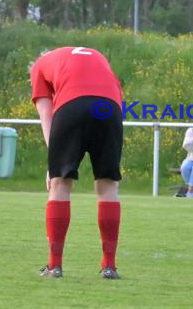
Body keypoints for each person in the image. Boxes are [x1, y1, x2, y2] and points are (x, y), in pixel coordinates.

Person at [30, 46, 123, 279]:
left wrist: (55, 163)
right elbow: (115, 92)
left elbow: (45, 113)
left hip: (72, 106)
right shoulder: (97, 55)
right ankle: (109, 266)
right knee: (108, 183)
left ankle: (54, 266)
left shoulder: (40, 65)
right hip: (108, 108)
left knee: (61, 182)